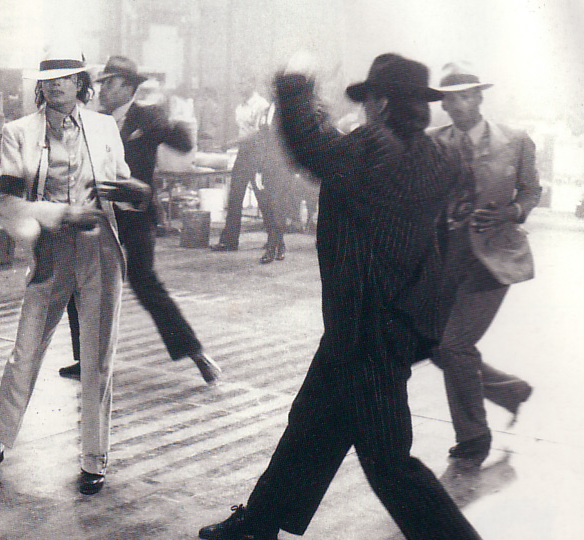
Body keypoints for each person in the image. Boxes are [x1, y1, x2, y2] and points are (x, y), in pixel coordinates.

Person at [199, 53, 482, 540]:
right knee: (311, 423)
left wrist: (294, 83)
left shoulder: (373, 146)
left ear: (382, 102)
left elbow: (313, 150)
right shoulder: (441, 156)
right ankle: (259, 522)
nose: (366, 108)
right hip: (389, 320)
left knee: (389, 462)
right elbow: (365, 173)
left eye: (370, 99)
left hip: (367, 329)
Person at [0, 46, 149, 495]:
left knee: (97, 358)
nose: (56, 85)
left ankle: (95, 457)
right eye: (48, 79)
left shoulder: (104, 127)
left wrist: (134, 192)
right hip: (50, 251)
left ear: (81, 83)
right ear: (41, 86)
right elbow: (7, 203)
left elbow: (119, 185)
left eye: (66, 77)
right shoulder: (19, 132)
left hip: (100, 249)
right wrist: (61, 214)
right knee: (24, 351)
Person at [58, 55, 221, 384]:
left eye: (109, 83)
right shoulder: (96, 121)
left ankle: (195, 352)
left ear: (128, 86)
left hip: (137, 213)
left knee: (145, 282)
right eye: (101, 84)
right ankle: (86, 359)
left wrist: (167, 120)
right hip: (102, 214)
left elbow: (184, 143)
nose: (102, 90)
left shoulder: (148, 115)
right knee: (78, 282)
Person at [428, 62, 540, 463]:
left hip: (493, 259)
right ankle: (511, 390)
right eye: (449, 99)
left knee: (453, 344)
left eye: (465, 96)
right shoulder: (431, 142)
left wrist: (511, 212)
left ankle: (473, 436)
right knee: (435, 345)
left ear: (479, 97)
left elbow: (531, 191)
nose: (457, 105)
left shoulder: (516, 140)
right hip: (444, 259)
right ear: (442, 105)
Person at [211, 103, 297, 263]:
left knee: (268, 202)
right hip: (248, 154)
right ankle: (230, 240)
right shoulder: (248, 108)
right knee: (236, 196)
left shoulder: (263, 106)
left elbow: (260, 135)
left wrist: (232, 142)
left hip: (265, 157)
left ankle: (275, 242)